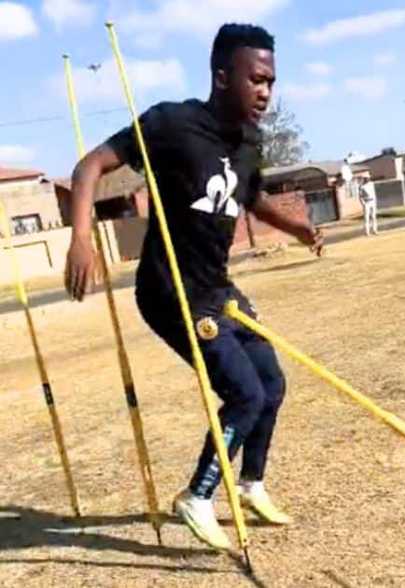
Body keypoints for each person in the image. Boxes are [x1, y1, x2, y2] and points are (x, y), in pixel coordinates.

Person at [63, 23, 324, 550]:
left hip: (217, 288)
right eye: (257, 80)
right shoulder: (173, 123)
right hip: (169, 291)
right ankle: (198, 497)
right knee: (243, 395)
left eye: (271, 81)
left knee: (271, 384)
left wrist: (294, 226)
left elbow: (249, 195)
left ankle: (250, 484)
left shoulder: (248, 141)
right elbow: (91, 165)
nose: (266, 93)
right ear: (222, 76)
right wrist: (82, 237)